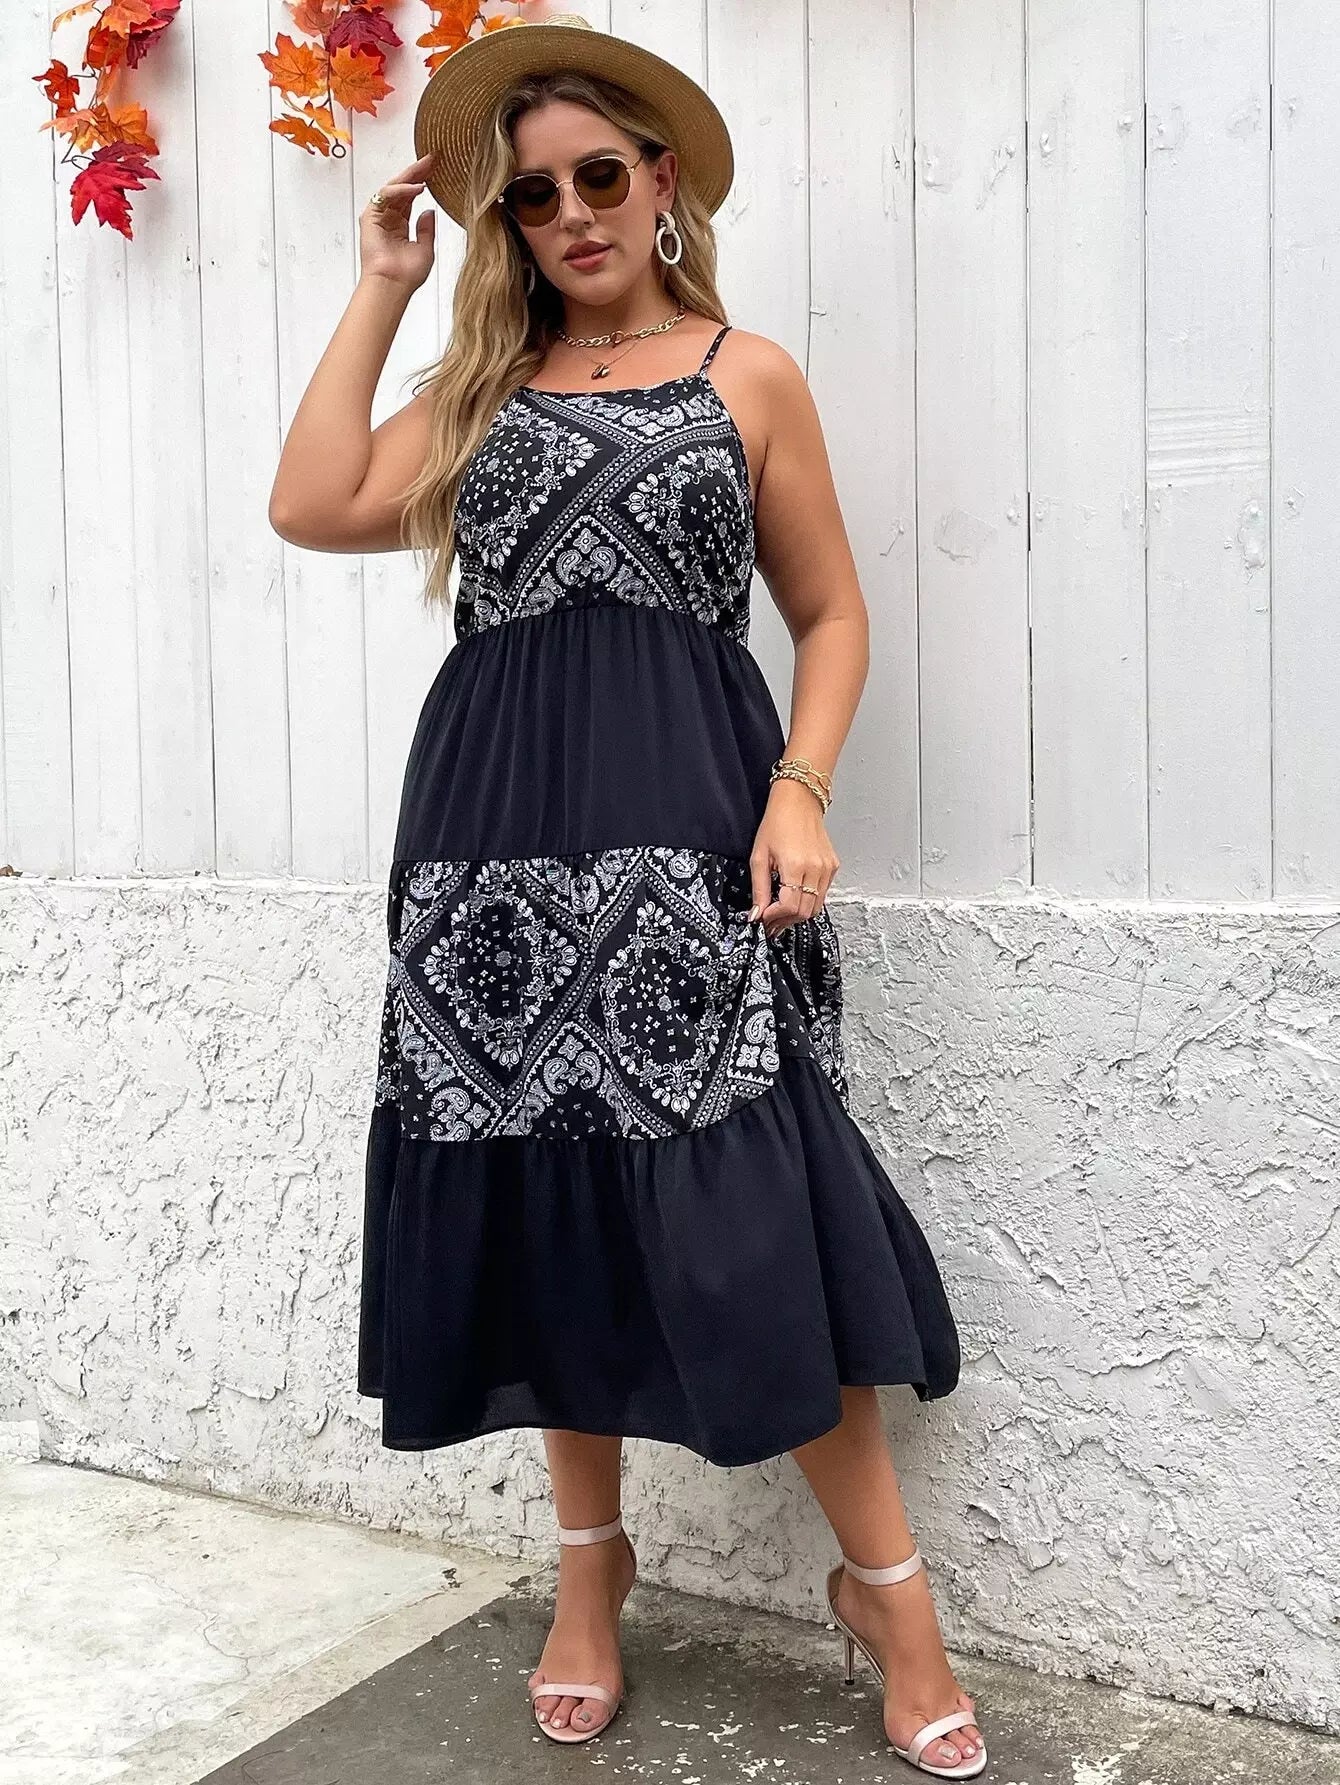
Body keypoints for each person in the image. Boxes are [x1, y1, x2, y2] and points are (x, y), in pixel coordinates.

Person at [267, 13, 986, 1777]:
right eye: (533, 195)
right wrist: (385, 284)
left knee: (751, 1202)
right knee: (537, 1195)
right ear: (504, 221)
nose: (573, 212)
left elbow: (830, 612)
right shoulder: (484, 389)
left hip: (687, 826)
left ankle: (892, 1595)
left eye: (600, 175)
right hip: (487, 840)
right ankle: (590, 1567)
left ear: (662, 181)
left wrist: (801, 789)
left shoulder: (748, 374)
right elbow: (311, 500)